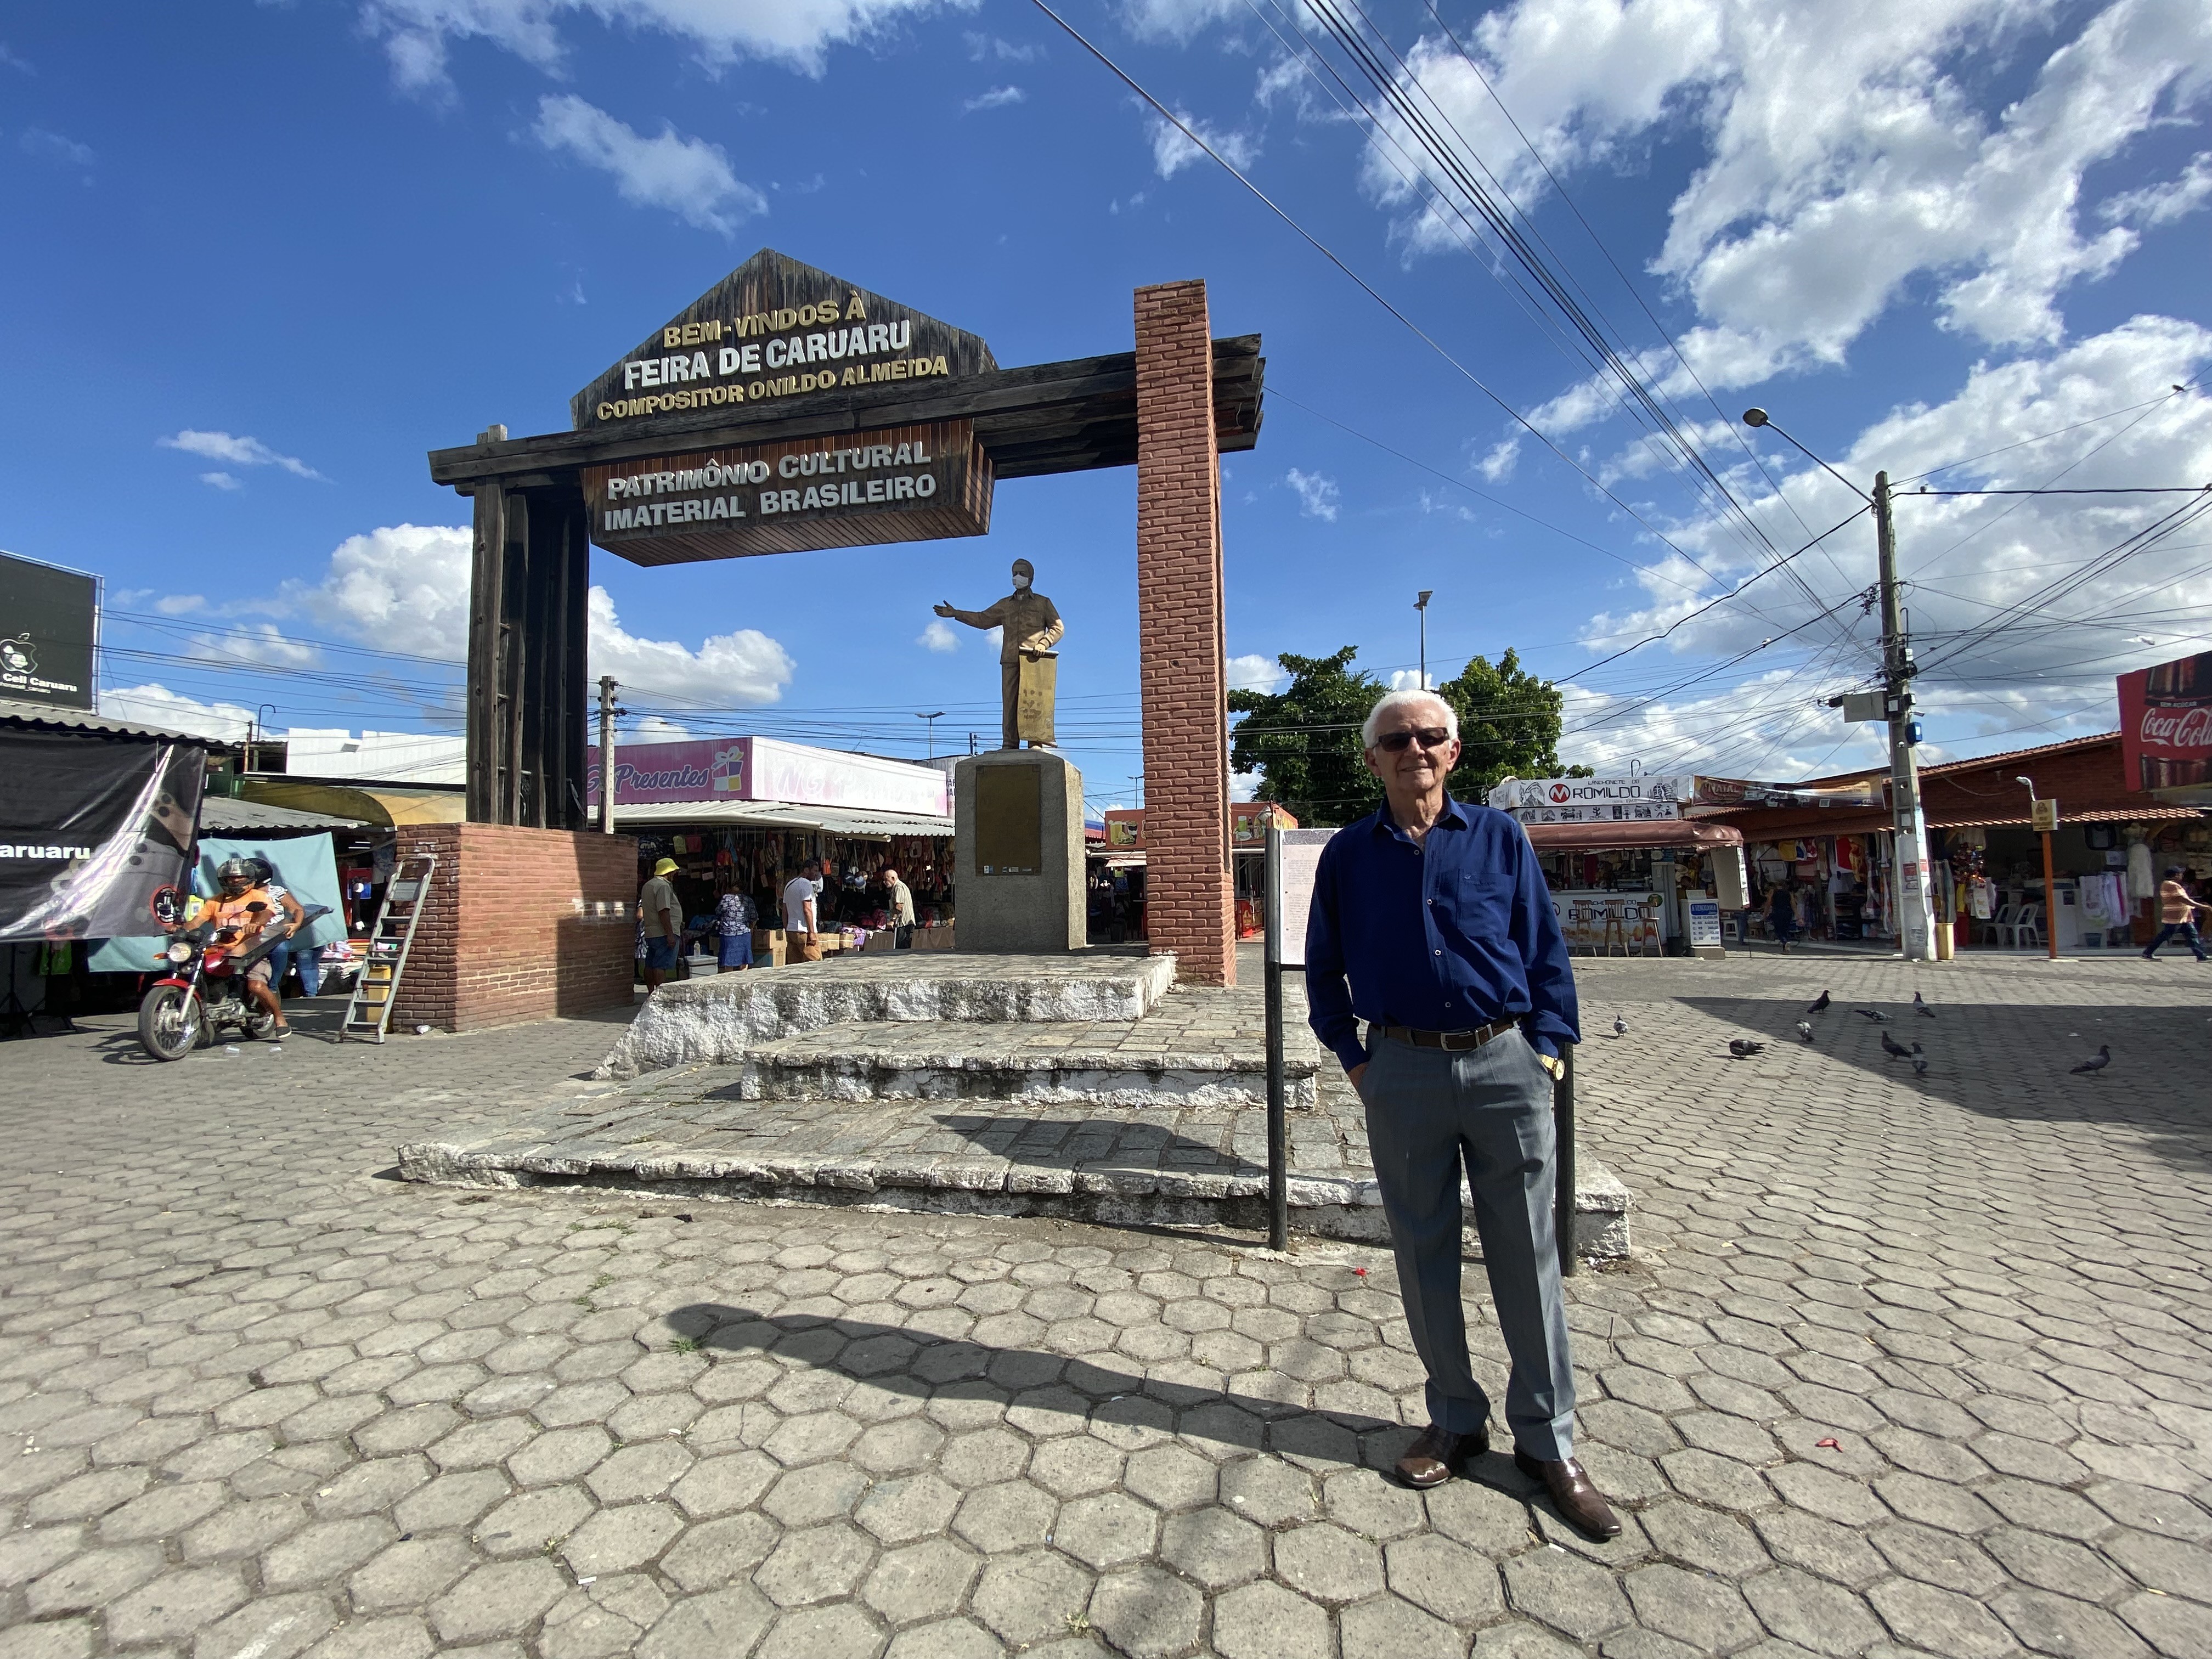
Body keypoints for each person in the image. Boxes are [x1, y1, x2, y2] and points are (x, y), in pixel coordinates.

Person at [1305, 688, 1617, 1541]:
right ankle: (1454, 1417)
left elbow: (1545, 950)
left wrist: (1547, 1051)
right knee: (1423, 1250)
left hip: (1506, 1064)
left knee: (1528, 1254)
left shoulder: (1501, 838)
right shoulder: (1346, 856)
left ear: (1454, 752)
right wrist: (1360, 1063)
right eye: (1396, 739)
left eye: (1430, 736)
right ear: (1372, 759)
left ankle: (1549, 1443)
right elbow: (1323, 972)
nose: (1415, 748)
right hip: (1400, 1071)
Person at [933, 558, 1066, 749]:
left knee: (1032, 701)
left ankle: (1035, 741)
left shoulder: (1043, 603)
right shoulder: (1005, 605)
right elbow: (982, 619)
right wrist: (956, 614)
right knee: (1010, 703)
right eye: (1014, 573)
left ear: (1031, 577)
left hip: (1034, 659)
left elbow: (1058, 627)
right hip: (1010, 659)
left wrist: (1044, 643)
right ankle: (1010, 742)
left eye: (1021, 573)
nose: (1017, 577)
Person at [206, 856, 292, 1038]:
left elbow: (266, 913)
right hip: (227, 947)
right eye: (232, 879)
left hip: (259, 942)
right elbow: (196, 921)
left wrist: (296, 923)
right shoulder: (216, 901)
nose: (236, 882)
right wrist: (177, 927)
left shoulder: (265, 895)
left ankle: (279, 1017)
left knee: (259, 984)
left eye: (241, 878)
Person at [2143, 865, 2209, 961]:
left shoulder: (2171, 885)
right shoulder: (2171, 885)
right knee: (2165, 935)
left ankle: (2201, 956)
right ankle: (2148, 952)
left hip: (2183, 917)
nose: (2182, 875)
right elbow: (2183, 899)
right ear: (2176, 875)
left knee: (2192, 935)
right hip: (2175, 917)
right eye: (2180, 874)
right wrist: (2202, 907)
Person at [640, 856, 683, 991]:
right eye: (673, 872)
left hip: (651, 932)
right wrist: (670, 934)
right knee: (660, 965)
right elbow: (663, 911)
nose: (675, 875)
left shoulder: (648, 885)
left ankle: (651, 994)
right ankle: (659, 996)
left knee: (650, 964)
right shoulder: (663, 886)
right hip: (663, 932)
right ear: (668, 872)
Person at [782, 859, 824, 963]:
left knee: (794, 964)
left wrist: (787, 928)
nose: (816, 874)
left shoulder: (789, 884)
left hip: (792, 930)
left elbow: (784, 910)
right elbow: (807, 909)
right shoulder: (806, 884)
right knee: (816, 962)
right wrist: (812, 932)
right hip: (804, 931)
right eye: (814, 871)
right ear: (806, 870)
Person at [715, 884, 757, 970]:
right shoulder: (748, 900)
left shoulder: (726, 898)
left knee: (728, 961)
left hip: (728, 934)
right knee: (744, 961)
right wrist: (751, 928)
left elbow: (718, 912)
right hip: (744, 934)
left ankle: (729, 981)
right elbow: (754, 917)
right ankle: (743, 981)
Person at [881, 865, 917, 947]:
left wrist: (893, 920)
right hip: (903, 923)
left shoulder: (899, 887)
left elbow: (899, 906)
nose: (884, 882)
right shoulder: (897, 887)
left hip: (904, 923)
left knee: (901, 948)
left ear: (893, 878)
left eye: (886, 879)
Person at [1767, 880, 1798, 953]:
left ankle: (1785, 942)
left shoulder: (1773, 892)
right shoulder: (1789, 893)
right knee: (1785, 930)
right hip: (1788, 913)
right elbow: (1793, 904)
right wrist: (1797, 915)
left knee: (1778, 930)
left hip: (1777, 912)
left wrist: (1765, 914)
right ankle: (1785, 948)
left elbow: (1769, 903)